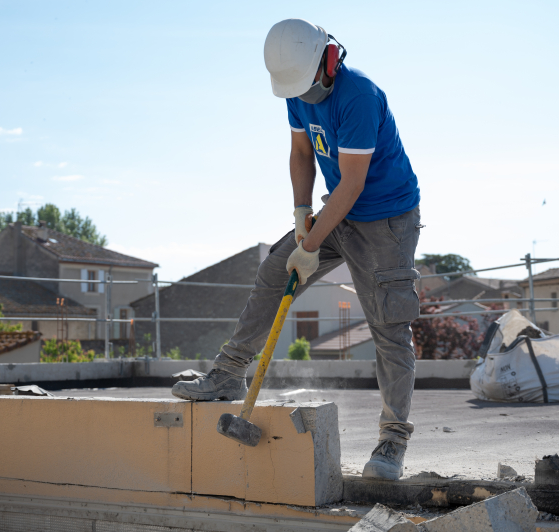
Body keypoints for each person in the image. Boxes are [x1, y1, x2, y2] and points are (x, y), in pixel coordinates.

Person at [172, 18, 422, 481]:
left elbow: (352, 183)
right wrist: (300, 215)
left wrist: (309, 245)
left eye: (308, 88)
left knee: (388, 324)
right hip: (337, 211)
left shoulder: (360, 96)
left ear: (329, 60)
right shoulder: (296, 88)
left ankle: (392, 440)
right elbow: (302, 154)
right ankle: (229, 373)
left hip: (385, 219)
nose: (303, 98)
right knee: (273, 271)